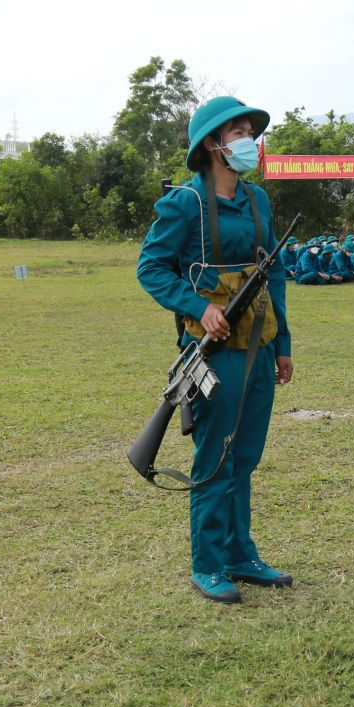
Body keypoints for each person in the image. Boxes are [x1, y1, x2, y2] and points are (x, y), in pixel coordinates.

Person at [136, 95, 293, 604]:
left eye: (251, 133)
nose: (250, 142)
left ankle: (240, 554)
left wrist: (283, 343)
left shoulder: (258, 201)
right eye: (239, 133)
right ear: (212, 144)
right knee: (215, 458)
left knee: (244, 457)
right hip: (213, 354)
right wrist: (198, 306)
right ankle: (208, 563)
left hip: (259, 348)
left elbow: (274, 275)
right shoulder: (185, 203)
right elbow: (151, 269)